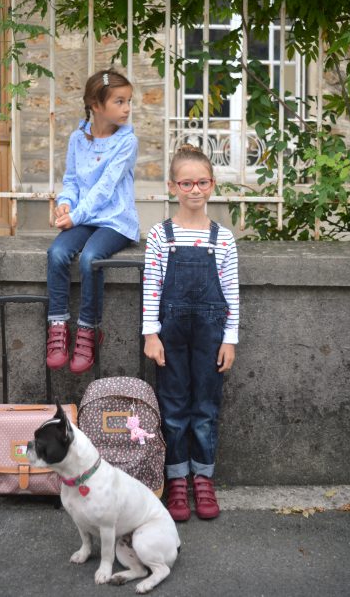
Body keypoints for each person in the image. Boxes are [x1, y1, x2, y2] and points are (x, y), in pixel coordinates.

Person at [142, 144, 239, 521]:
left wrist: (230, 338)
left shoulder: (223, 238)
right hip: (171, 335)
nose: (194, 190)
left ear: (212, 185)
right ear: (172, 186)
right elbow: (152, 284)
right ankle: (177, 481)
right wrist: (151, 333)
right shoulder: (160, 235)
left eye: (201, 182)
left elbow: (230, 292)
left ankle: (204, 478)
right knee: (174, 406)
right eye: (186, 183)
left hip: (211, 336)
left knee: (205, 408)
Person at [46, 68, 140, 374]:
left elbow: (105, 188)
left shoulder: (127, 141)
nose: (127, 108)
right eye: (119, 101)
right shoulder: (78, 138)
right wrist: (64, 204)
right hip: (82, 217)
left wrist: (75, 216)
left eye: (128, 101)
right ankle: (58, 325)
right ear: (96, 105)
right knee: (57, 253)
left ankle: (89, 329)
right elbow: (72, 179)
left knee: (90, 258)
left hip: (114, 220)